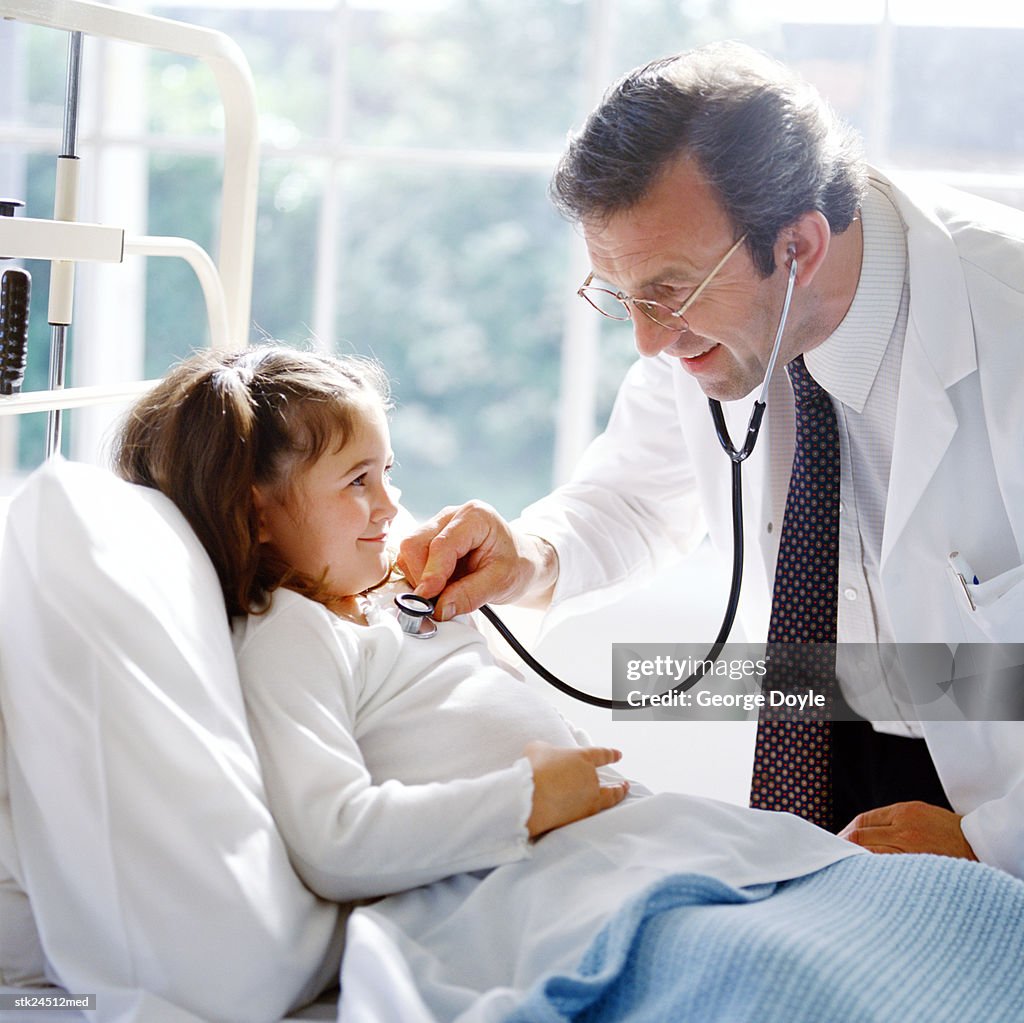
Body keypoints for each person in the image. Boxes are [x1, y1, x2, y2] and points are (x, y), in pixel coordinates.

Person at [110, 344, 1024, 1022]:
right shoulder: (290, 634)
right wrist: (529, 800)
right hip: (543, 886)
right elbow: (334, 836)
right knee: (780, 967)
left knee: (953, 908)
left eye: (389, 473)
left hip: (638, 842)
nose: (392, 507)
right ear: (254, 514)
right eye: (357, 482)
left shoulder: (390, 607)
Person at [397, 41, 1024, 880]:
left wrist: (993, 840)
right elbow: (632, 496)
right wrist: (527, 557)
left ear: (798, 245)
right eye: (621, 296)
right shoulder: (719, 324)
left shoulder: (1005, 322)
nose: (651, 340)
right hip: (838, 731)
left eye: (671, 291)